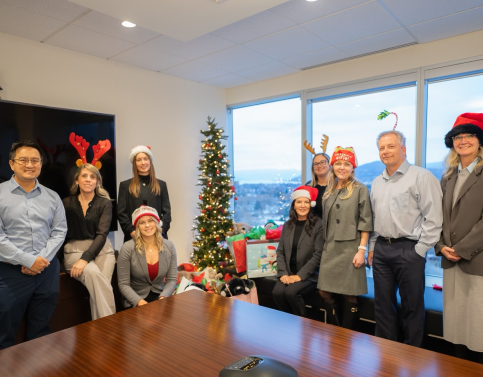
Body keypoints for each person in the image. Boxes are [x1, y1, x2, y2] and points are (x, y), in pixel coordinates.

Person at [368, 130, 443, 347]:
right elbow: (374, 218)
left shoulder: (421, 176)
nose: (385, 151)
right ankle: (386, 352)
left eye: (390, 146)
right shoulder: (376, 182)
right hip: (382, 249)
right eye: (382, 148)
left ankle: (413, 355)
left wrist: (419, 250)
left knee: (412, 306)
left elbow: (434, 217)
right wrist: (373, 247)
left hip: (409, 249)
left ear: (403, 148)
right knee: (382, 305)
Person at [0, 141, 67, 349]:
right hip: (10, 272)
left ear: (41, 164)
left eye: (35, 160)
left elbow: (59, 231)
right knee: (5, 329)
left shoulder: (52, 196)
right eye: (23, 160)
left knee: (41, 328)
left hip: (46, 270)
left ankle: (37, 367)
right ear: (12, 164)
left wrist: (42, 260)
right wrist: (28, 260)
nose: (30, 164)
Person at [434, 113, 483, 363]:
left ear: (480, 140)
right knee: (455, 321)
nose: (463, 141)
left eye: (469, 135)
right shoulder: (448, 176)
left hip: (476, 260)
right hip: (450, 258)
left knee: (477, 322)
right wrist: (441, 246)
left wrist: (462, 249)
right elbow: (439, 217)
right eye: (458, 137)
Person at [317, 147, 373, 329]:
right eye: (338, 163)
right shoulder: (329, 190)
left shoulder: (360, 189)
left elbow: (366, 222)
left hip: (351, 249)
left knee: (350, 294)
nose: (342, 167)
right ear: (332, 166)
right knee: (324, 291)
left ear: (352, 167)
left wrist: (361, 250)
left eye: (346, 164)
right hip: (330, 249)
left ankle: (347, 335)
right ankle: (335, 329)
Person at [62, 163, 116, 320]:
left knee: (99, 292)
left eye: (93, 177)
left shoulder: (105, 203)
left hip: (102, 250)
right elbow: (60, 232)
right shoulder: (66, 203)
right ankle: (110, 328)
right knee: (94, 276)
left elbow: (102, 234)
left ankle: (99, 335)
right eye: (84, 176)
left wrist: (86, 258)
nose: (88, 180)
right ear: (77, 180)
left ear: (98, 182)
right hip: (74, 251)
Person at [272, 185, 323, 317]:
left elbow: (318, 255)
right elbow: (280, 252)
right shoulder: (287, 225)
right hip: (288, 272)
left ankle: (303, 324)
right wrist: (283, 273)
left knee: (291, 293)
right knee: (277, 293)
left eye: (306, 202)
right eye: (299, 202)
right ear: (294, 205)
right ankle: (288, 321)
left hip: (309, 275)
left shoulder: (319, 224)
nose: (302, 205)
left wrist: (300, 276)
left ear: (310, 205)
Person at [118, 205, 177, 308]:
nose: (147, 225)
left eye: (150, 220)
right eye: (142, 222)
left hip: (160, 298)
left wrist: (163, 298)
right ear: (137, 227)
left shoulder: (169, 246)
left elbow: (171, 280)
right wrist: (140, 303)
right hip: (136, 301)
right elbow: (123, 285)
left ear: (157, 223)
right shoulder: (127, 248)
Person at [118, 145, 171, 242]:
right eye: (138, 160)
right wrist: (132, 232)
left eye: (145, 159)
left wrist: (160, 231)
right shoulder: (125, 186)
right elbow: (121, 214)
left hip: (157, 237)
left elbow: (167, 213)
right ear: (134, 163)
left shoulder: (161, 185)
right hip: (134, 238)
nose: (143, 163)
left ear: (150, 161)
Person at [306, 153, 331, 219]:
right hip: (313, 227)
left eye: (322, 162)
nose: (319, 166)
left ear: (330, 164)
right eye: (316, 164)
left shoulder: (338, 186)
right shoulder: (308, 187)